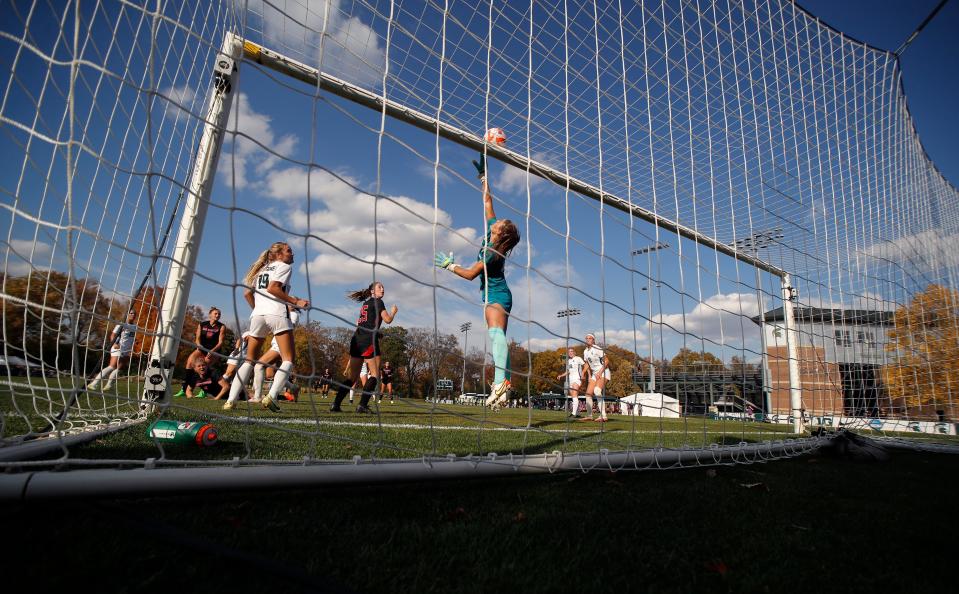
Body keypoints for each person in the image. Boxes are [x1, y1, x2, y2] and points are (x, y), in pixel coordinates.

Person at [435, 155, 520, 410]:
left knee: (496, 336)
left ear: (502, 234)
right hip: (493, 295)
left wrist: (450, 266)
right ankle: (503, 382)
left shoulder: (493, 254)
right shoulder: (492, 231)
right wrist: (484, 179)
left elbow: (471, 274)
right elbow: (487, 201)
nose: (496, 222)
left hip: (498, 296)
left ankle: (500, 383)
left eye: (499, 225)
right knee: (497, 339)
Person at [223, 242, 309, 411]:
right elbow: (273, 288)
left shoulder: (261, 270)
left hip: (257, 316)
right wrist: (295, 301)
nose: (293, 254)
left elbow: (247, 293)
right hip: (276, 313)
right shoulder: (283, 266)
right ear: (278, 255)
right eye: (289, 251)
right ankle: (271, 396)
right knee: (288, 360)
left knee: (249, 360)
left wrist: (258, 308)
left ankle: (230, 401)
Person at [330, 281, 398, 413]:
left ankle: (335, 404)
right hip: (368, 340)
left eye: (383, 287)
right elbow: (388, 320)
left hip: (357, 339)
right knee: (375, 374)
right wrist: (393, 312)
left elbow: (363, 323)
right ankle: (362, 405)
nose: (382, 289)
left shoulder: (366, 303)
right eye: (379, 287)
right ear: (372, 291)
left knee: (352, 377)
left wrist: (376, 332)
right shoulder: (378, 302)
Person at [251, 310, 302, 403]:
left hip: (281, 345)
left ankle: (258, 396)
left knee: (259, 365)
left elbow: (290, 326)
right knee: (270, 375)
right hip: (275, 344)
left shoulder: (293, 314)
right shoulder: (281, 313)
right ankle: (293, 388)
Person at [87, 308, 137, 392]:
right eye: (131, 313)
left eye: (134, 314)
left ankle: (109, 385)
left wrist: (133, 345)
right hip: (117, 348)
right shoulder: (121, 324)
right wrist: (114, 344)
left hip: (126, 350)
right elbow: (113, 335)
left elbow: (130, 338)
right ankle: (94, 383)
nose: (133, 315)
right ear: (127, 315)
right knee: (112, 366)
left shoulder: (135, 326)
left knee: (120, 368)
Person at [582, 333, 609, 422]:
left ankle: (603, 416)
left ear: (593, 340)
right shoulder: (585, 351)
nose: (588, 340)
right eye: (587, 338)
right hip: (594, 374)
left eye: (590, 338)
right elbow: (587, 363)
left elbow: (607, 360)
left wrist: (600, 372)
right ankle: (589, 416)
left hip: (604, 372)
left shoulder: (597, 348)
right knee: (588, 394)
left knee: (597, 391)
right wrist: (584, 373)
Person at [557, 347, 585, 418]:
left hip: (577, 379)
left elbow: (585, 365)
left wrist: (584, 375)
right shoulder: (568, 361)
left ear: (574, 352)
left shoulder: (578, 358)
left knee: (575, 395)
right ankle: (578, 413)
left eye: (572, 351)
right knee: (574, 397)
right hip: (571, 380)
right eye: (569, 352)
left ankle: (573, 413)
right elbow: (568, 371)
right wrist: (561, 375)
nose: (570, 352)